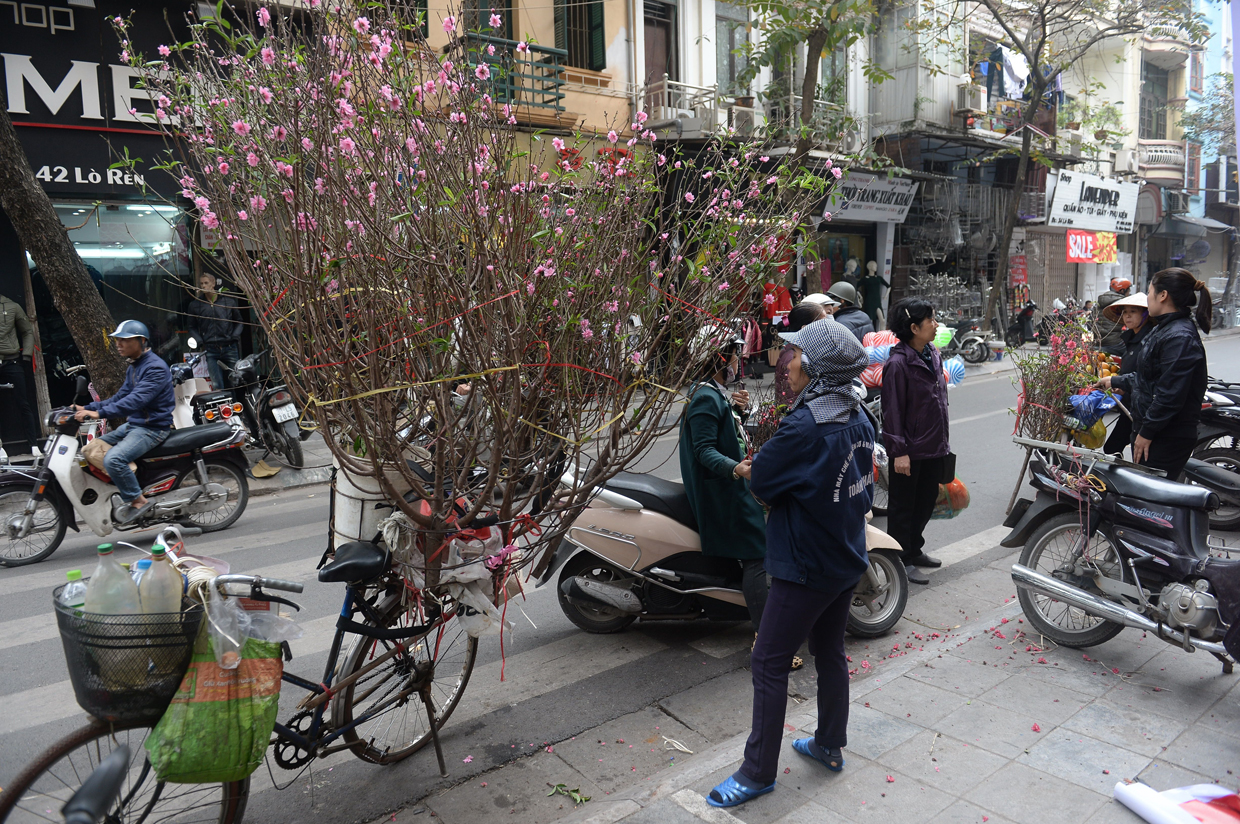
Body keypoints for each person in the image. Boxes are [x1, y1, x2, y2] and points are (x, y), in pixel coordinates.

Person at [706, 319, 873, 808]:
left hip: (805, 565)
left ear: (816, 367)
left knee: (768, 661)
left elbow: (763, 483)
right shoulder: (856, 411)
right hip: (846, 554)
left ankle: (757, 772)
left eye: (796, 354)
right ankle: (828, 744)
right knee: (831, 653)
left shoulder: (804, 425)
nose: (787, 360)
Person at [678, 327, 774, 646]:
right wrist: (736, 468)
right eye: (734, 353)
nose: (738, 359)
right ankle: (765, 636)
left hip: (730, 484)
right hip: (721, 491)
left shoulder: (713, 391)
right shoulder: (705, 396)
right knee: (757, 554)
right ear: (721, 357)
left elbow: (726, 435)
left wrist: (739, 411)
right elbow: (703, 450)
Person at [1101, 269, 1210, 479]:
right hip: (1155, 430)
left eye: (1150, 292)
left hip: (1166, 436)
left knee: (1149, 503)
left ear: (1163, 295)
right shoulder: (1164, 329)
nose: (1148, 297)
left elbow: (1169, 394)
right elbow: (1150, 378)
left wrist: (1147, 432)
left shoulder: (1179, 336)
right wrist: (1114, 380)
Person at [72, 321, 175, 524]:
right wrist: (88, 408)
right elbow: (120, 397)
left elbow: (133, 402)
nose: (118, 344)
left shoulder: (154, 368)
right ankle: (127, 484)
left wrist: (99, 413)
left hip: (152, 428)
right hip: (136, 425)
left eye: (124, 340)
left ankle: (138, 501)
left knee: (113, 460)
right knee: (91, 448)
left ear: (141, 341)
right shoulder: (135, 367)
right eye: (117, 340)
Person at [881, 298, 949, 586]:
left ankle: (915, 549)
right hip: (909, 450)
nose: (936, 325)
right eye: (930, 320)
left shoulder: (931, 352)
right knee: (902, 508)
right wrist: (899, 452)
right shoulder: (898, 364)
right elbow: (892, 411)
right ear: (913, 328)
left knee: (925, 502)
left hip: (934, 444)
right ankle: (901, 560)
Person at [1100, 292, 1151, 457]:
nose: (1127, 316)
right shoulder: (1132, 338)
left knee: (1116, 450)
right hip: (1131, 402)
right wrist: (1122, 387)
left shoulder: (1148, 340)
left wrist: (1117, 381)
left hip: (1142, 407)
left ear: (1145, 314)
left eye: (1133, 312)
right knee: (1113, 448)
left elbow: (1145, 377)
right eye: (1125, 312)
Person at [0, 293, 43, 456]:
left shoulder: (11, 306)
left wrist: (26, 355)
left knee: (23, 402)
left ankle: (33, 444)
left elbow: (27, 331)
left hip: (12, 360)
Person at [187, 273, 244, 390]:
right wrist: (199, 341)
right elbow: (191, 326)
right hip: (211, 349)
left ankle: (237, 406)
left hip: (229, 347)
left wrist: (234, 336)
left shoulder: (228, 302)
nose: (203, 286)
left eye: (206, 283)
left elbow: (239, 321)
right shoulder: (196, 305)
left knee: (234, 383)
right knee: (217, 384)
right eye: (201, 283)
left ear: (213, 284)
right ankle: (223, 408)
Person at [773, 301, 830, 407]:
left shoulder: (799, 351)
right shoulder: (793, 356)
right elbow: (791, 398)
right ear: (805, 328)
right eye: (822, 322)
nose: (826, 326)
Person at [1096, 277, 1133, 354]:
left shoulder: (1099, 302)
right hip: (1115, 343)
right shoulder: (1121, 303)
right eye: (1128, 290)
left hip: (1097, 341)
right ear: (1122, 290)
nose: (1129, 293)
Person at [858, 261, 890, 326]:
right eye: (874, 266)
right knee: (870, 321)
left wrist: (886, 295)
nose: (876, 267)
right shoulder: (865, 279)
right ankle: (871, 335)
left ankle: (882, 334)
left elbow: (889, 286)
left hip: (877, 301)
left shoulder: (878, 278)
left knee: (882, 320)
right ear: (870, 267)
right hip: (869, 301)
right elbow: (856, 287)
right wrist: (860, 297)